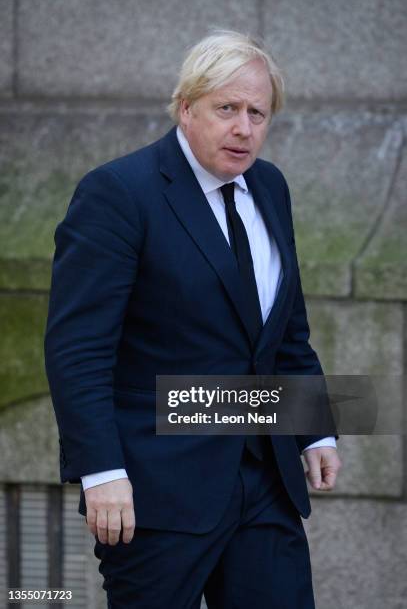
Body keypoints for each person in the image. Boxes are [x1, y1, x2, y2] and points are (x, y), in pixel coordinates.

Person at [44, 30, 341, 609]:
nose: (244, 128)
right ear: (186, 107)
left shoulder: (271, 187)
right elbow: (77, 349)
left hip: (265, 485)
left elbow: (285, 333)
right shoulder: (118, 193)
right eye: (226, 108)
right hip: (156, 493)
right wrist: (100, 471)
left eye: (258, 113)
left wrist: (317, 424)